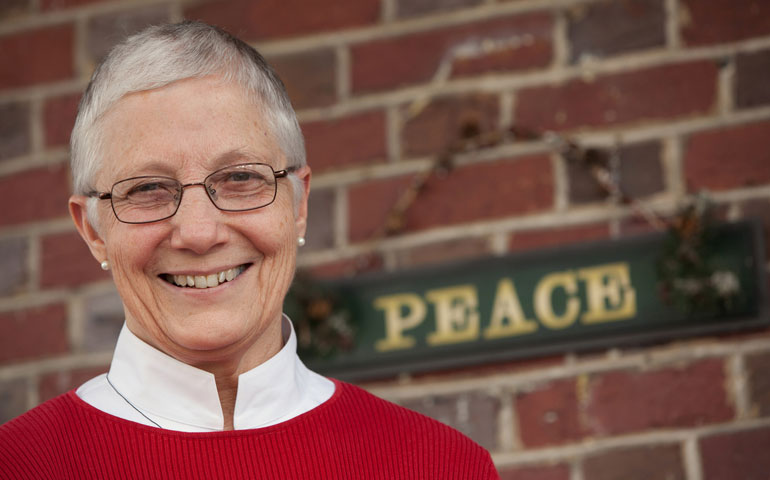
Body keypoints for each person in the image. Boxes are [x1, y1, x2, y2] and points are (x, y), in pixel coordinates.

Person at [0, 21, 498, 479]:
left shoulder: (439, 465)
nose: (198, 232)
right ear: (93, 231)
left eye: (240, 178)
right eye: (147, 189)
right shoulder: (21, 465)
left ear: (298, 205)